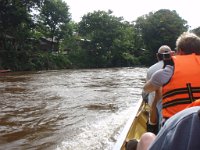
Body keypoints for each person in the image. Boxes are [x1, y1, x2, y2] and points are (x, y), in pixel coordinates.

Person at [126, 32, 200, 150]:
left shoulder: (168, 69)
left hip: (174, 134)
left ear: (179, 51)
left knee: (146, 138)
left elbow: (146, 88)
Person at [142, 45, 172, 134]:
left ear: (157, 55)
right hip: (171, 104)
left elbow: (147, 89)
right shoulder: (177, 67)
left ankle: (152, 125)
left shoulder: (151, 69)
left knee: (148, 95)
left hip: (156, 104)